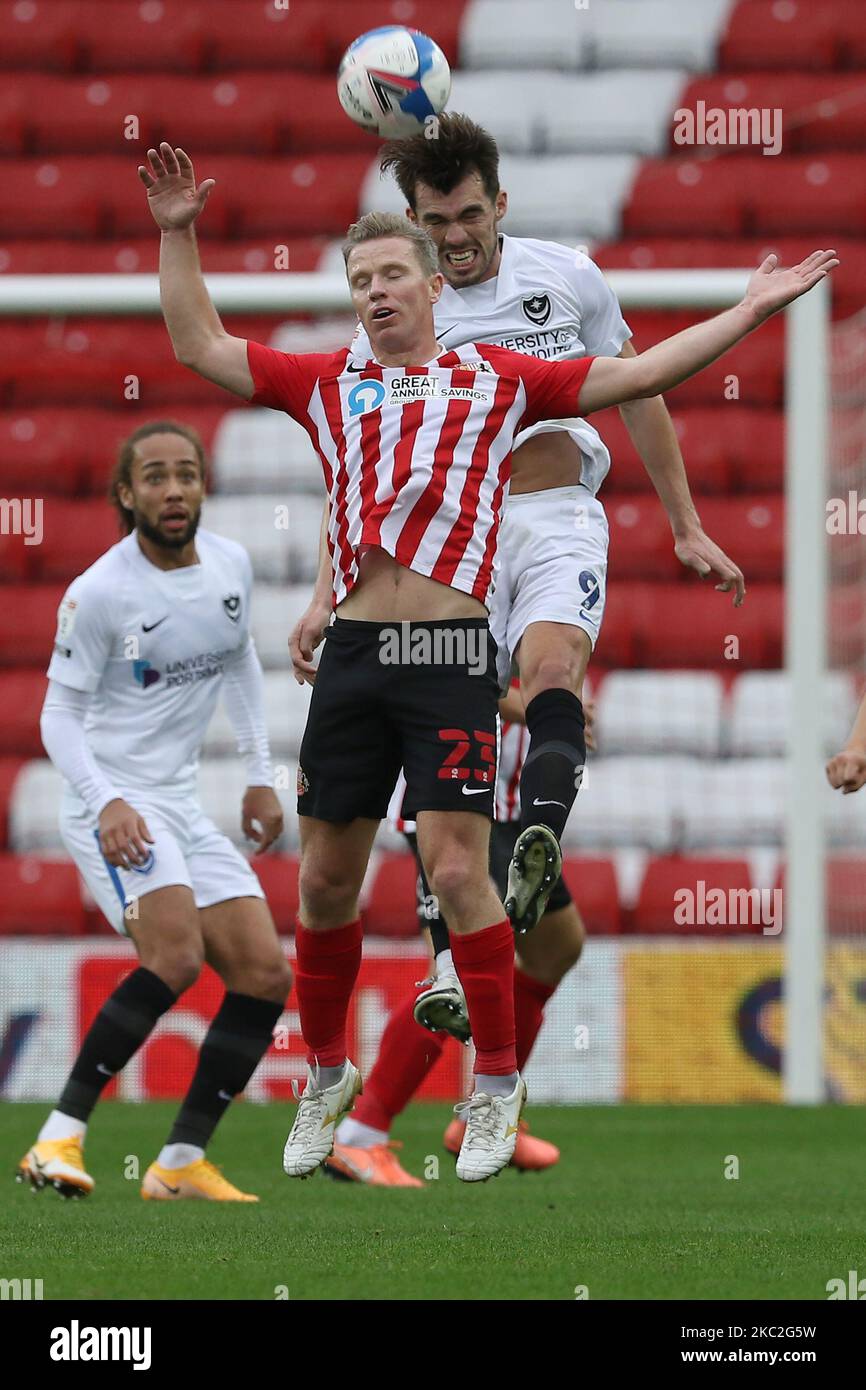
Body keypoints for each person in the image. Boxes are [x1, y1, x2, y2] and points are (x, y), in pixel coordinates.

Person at [139, 139, 835, 1180]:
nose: (376, 293)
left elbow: (640, 372)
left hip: (453, 648)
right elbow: (198, 343)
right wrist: (177, 231)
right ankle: (330, 1080)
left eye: (391, 275)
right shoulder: (331, 383)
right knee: (325, 881)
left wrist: (748, 310)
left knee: (460, 867)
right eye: (359, 281)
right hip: (363, 655)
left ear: (433, 284)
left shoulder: (496, 377)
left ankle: (493, 1081)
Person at [303, 113, 747, 935]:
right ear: (415, 227)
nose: (456, 237)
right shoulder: (396, 316)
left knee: (552, 670)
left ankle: (541, 831)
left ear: (500, 203)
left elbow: (638, 386)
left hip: (557, 516)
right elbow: (357, 465)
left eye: (470, 215)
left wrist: (684, 522)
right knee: (440, 707)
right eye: (435, 224)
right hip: (454, 537)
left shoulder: (568, 277)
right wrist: (324, 593)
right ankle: (448, 945)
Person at [17, 421, 290, 1203]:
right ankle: (56, 1141)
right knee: (174, 957)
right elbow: (56, 720)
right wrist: (105, 802)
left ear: (204, 485)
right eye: (157, 478)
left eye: (188, 475)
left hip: (174, 801)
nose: (174, 491)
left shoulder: (230, 566)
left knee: (265, 975)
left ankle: (177, 1165)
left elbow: (238, 658)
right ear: (125, 494)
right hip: (107, 802)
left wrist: (258, 773)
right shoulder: (101, 592)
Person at [328, 684, 594, 1186]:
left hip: (513, 808)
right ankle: (362, 1133)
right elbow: (450, 670)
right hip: (459, 794)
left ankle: (481, 1115)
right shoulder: (473, 605)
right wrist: (544, 706)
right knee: (458, 976)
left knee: (558, 944)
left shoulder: (542, 615)